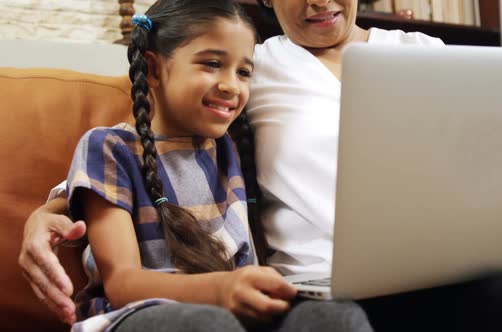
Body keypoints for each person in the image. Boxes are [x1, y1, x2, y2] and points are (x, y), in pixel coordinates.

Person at [19, 0, 502, 331]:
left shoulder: (424, 53)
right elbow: (146, 137)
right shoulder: (254, 65)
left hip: (458, 253)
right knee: (500, 299)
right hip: (333, 281)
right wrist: (49, 209)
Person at [28, 1, 373, 331]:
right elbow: (122, 282)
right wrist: (222, 290)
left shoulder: (237, 144)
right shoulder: (110, 148)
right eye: (211, 64)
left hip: (239, 313)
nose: (230, 85)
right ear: (153, 68)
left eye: (243, 72)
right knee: (208, 323)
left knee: (334, 316)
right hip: (141, 312)